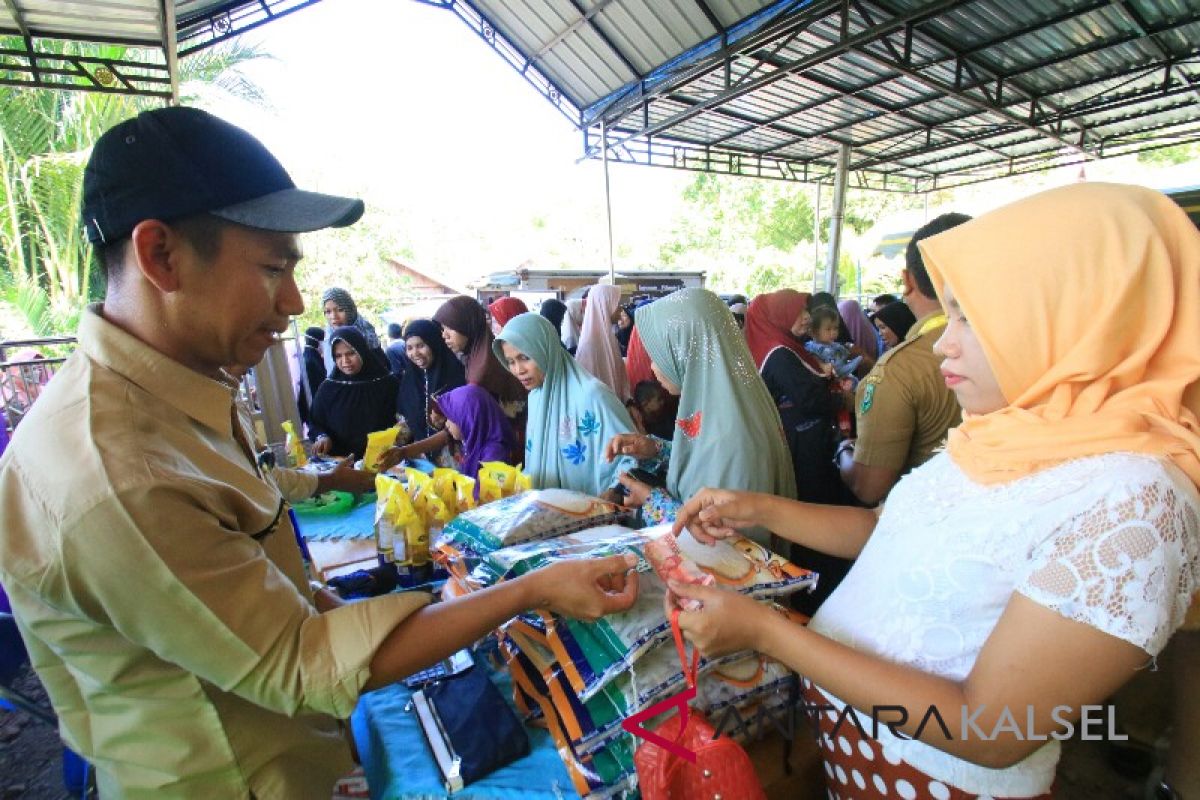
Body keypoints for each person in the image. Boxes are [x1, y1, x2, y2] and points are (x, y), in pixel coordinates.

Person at [0, 107, 642, 799]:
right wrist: (534, 586)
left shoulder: (179, 398)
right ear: (160, 255)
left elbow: (269, 583)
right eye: (273, 268)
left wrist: (345, 596)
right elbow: (301, 663)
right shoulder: (111, 467)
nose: (295, 302)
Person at [669, 183, 1200, 800]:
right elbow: (888, 528)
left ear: (1079, 314)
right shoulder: (1005, 431)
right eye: (951, 314)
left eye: (973, 317)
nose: (945, 341)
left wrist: (768, 633)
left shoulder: (1136, 499)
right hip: (858, 751)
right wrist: (756, 507)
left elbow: (994, 729)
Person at [603, 288, 796, 530]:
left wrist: (652, 501)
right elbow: (707, 458)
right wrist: (655, 449)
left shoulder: (732, 433)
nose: (653, 367)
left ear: (689, 353)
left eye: (663, 354)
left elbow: (726, 538)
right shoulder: (727, 404)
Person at [837, 213, 968, 506]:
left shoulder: (898, 370)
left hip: (922, 523)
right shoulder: (1027, 347)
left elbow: (868, 487)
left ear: (907, 280)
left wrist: (842, 450)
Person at [494, 312, 637, 497]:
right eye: (511, 362)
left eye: (525, 358)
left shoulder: (592, 395)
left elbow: (632, 455)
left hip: (595, 515)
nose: (518, 370)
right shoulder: (537, 396)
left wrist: (613, 493)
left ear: (544, 349)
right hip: (549, 515)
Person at [744, 289, 848, 507]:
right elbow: (810, 400)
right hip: (801, 446)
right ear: (779, 316)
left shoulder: (780, 346)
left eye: (805, 311)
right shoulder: (778, 354)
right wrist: (845, 400)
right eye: (798, 312)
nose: (807, 317)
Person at [308, 326, 400, 459]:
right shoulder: (329, 388)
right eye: (338, 356)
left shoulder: (387, 383)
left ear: (362, 351)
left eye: (351, 353)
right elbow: (316, 422)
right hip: (341, 465)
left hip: (383, 461)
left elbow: (402, 421)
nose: (345, 361)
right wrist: (322, 437)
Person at [432, 295, 526, 418]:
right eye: (443, 328)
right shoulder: (477, 355)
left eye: (450, 327)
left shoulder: (484, 369)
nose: (445, 335)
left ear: (467, 325)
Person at [434, 384, 519, 485]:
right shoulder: (471, 443)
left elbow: (487, 495)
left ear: (469, 420)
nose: (446, 424)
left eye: (451, 418)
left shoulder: (494, 455)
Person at [575, 283, 630, 400]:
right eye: (616, 304)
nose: (620, 309)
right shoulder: (589, 346)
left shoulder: (608, 337)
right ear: (605, 305)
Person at [321, 286, 385, 371]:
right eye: (328, 312)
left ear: (350, 310)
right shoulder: (329, 336)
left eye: (340, 310)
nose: (334, 316)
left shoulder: (366, 334)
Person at [805, 305, 863, 379]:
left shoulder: (835, 345)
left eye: (835, 328)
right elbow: (812, 359)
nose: (833, 332)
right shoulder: (812, 347)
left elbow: (844, 355)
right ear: (814, 332)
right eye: (828, 329)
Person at [296, 326, 326, 431]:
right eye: (323, 341)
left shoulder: (309, 356)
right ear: (317, 341)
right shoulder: (312, 360)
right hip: (316, 407)